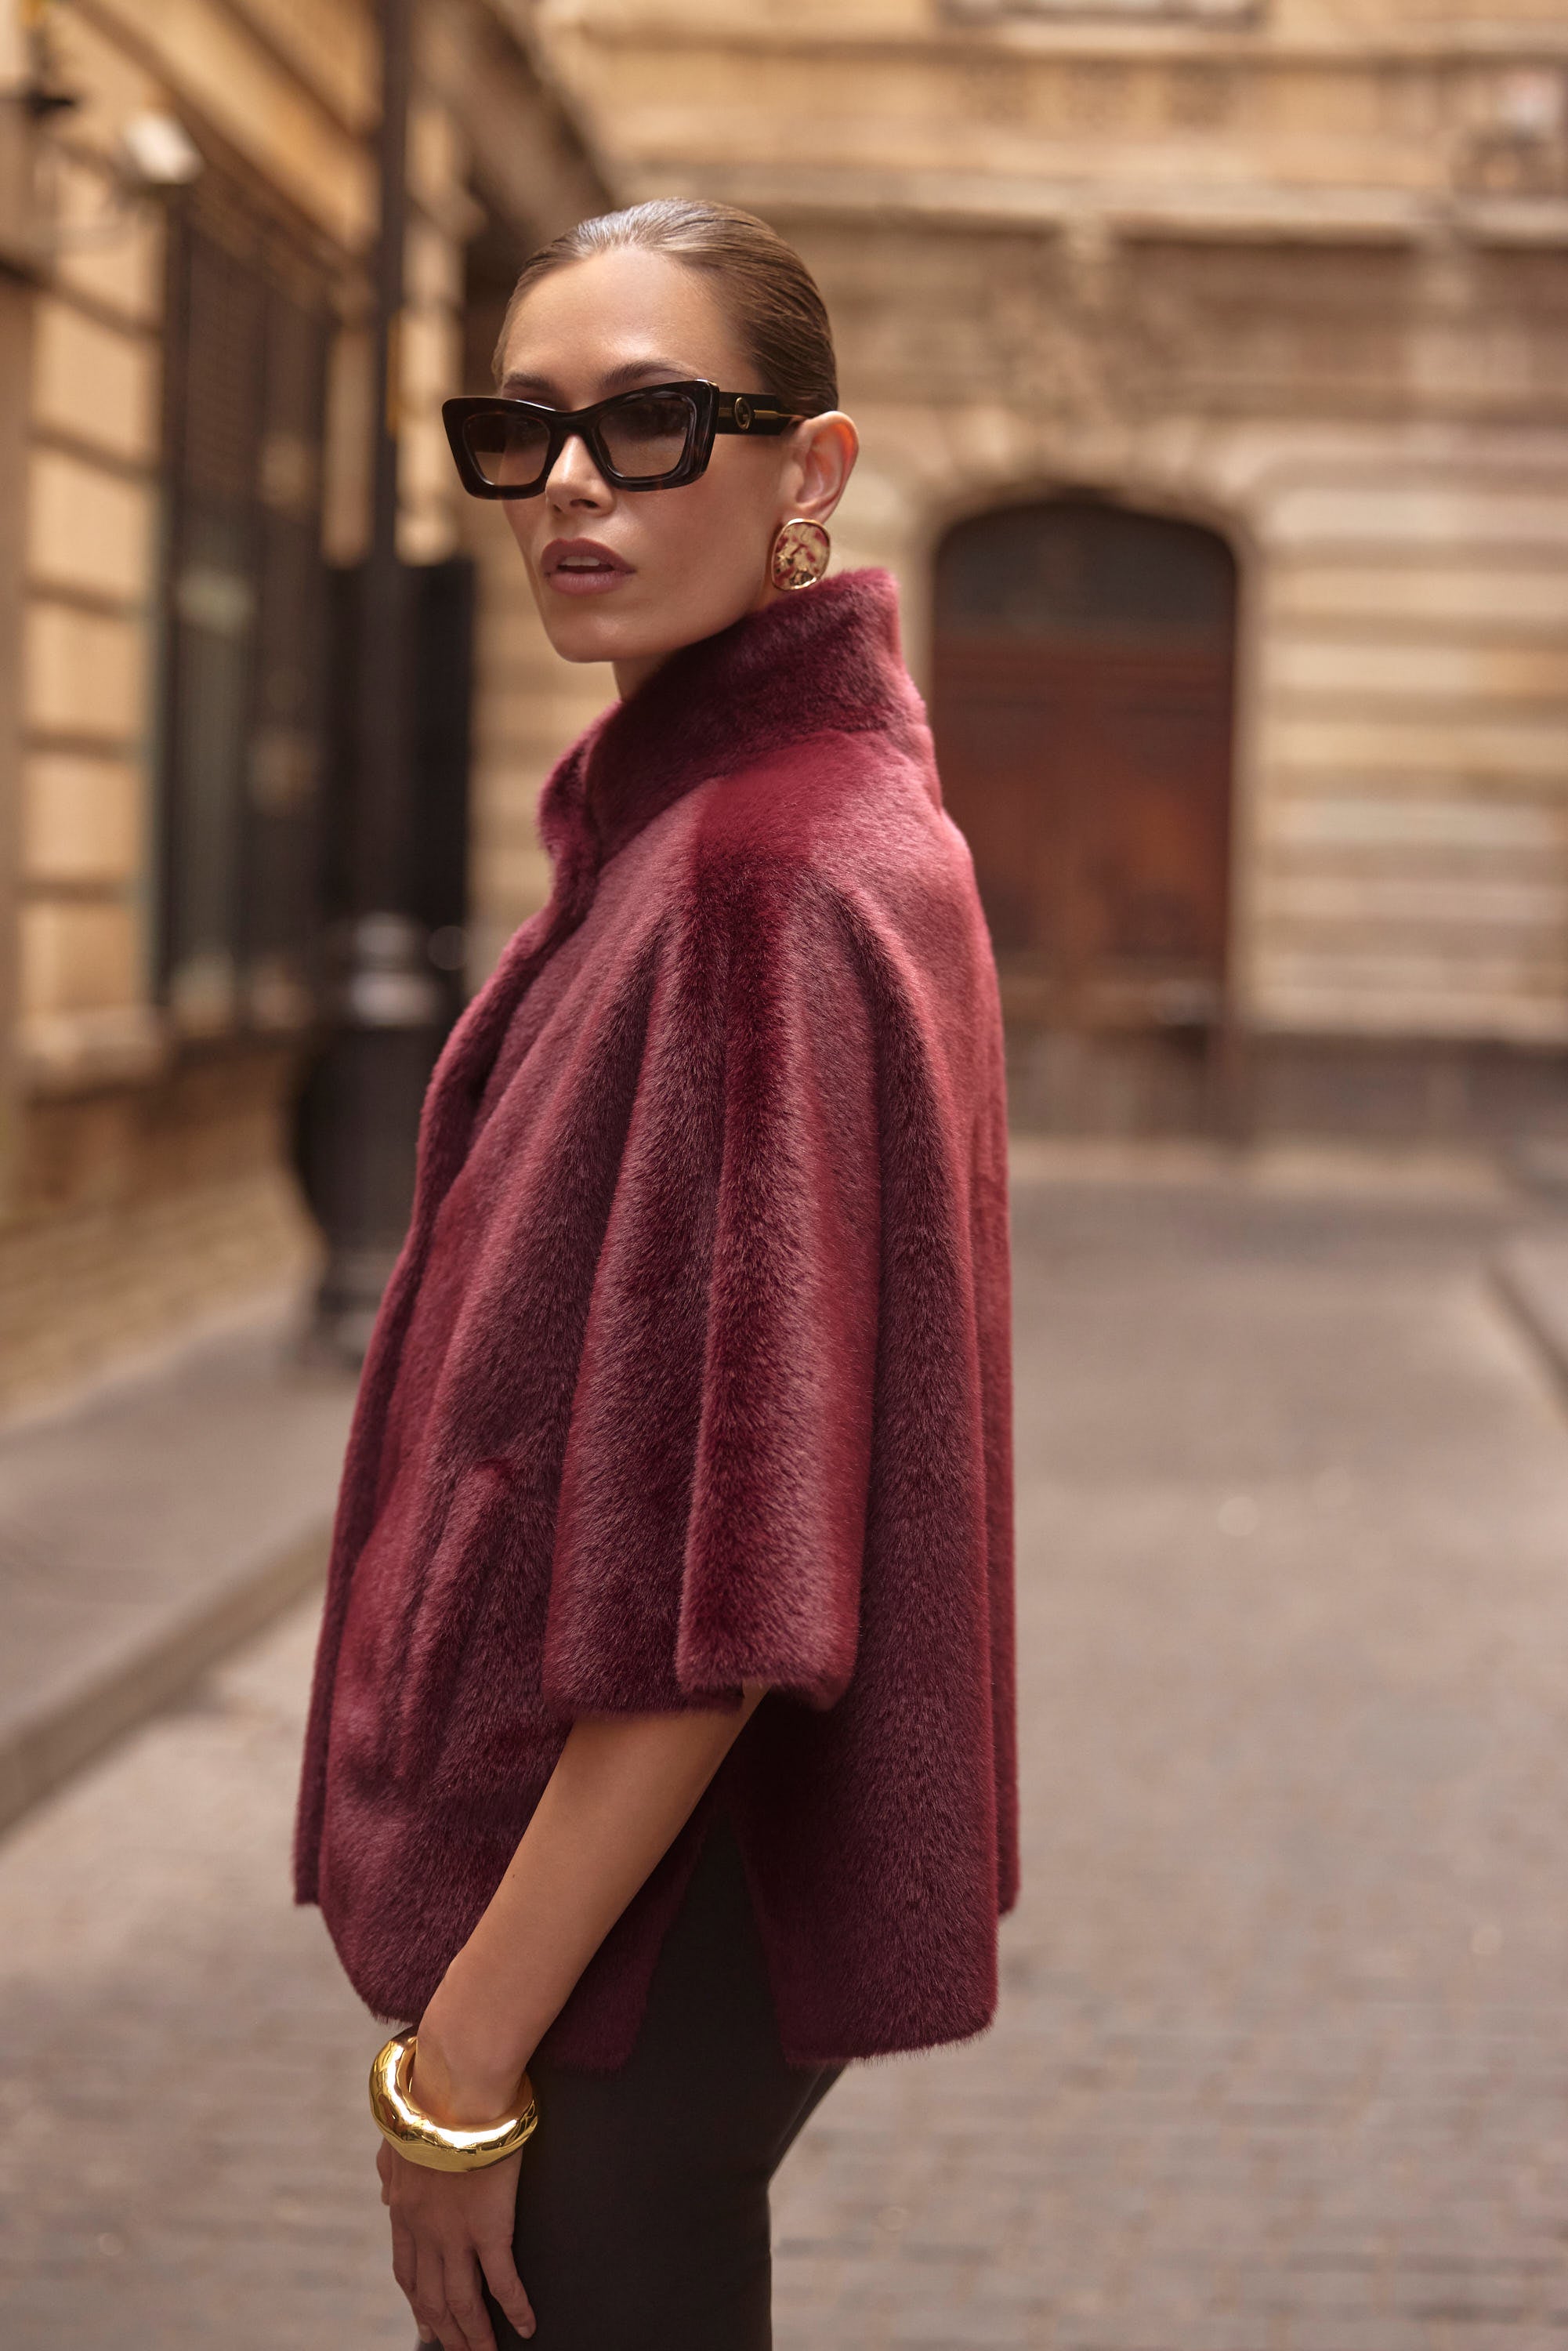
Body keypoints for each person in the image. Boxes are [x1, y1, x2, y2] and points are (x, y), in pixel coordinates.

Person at [293, 198, 1016, 2351]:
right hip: (637, 1898)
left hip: (636, 1917)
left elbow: (732, 1594)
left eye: (649, 421)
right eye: (520, 429)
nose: (570, 483)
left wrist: (459, 2065)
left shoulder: (762, 876)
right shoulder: (714, 827)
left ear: (812, 469)